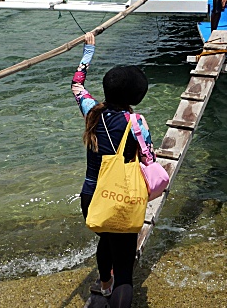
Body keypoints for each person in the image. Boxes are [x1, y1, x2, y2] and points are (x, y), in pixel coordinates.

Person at [71, 32, 153, 307]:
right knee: (126, 274)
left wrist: (88, 53)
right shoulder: (136, 122)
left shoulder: (92, 112)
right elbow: (148, 158)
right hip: (121, 197)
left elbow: (77, 85)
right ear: (136, 96)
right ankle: (114, 287)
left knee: (105, 238)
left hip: (91, 196)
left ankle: (104, 284)